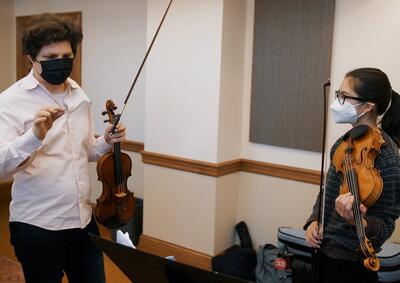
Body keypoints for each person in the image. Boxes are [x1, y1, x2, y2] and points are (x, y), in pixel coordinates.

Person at [0, 13, 126, 283]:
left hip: (82, 221)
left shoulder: (79, 94)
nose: (61, 63)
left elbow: (85, 152)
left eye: (66, 56)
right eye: (51, 58)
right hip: (37, 227)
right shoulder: (10, 101)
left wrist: (105, 140)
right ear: (31, 59)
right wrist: (34, 136)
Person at [304, 68, 400, 283]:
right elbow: (328, 189)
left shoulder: (387, 157)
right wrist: (313, 220)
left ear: (367, 107)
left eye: (344, 97)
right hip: (322, 252)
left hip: (351, 264)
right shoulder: (344, 142)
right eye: (339, 94)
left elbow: (386, 223)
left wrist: (358, 221)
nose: (338, 102)